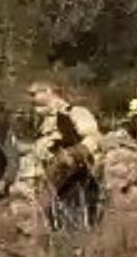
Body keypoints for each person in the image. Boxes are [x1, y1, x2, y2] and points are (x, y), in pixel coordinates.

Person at [28, 82, 104, 231]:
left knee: (77, 229)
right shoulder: (44, 122)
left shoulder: (74, 113)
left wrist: (72, 154)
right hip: (52, 186)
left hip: (76, 183)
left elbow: (94, 139)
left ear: (51, 91)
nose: (31, 98)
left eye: (35, 93)